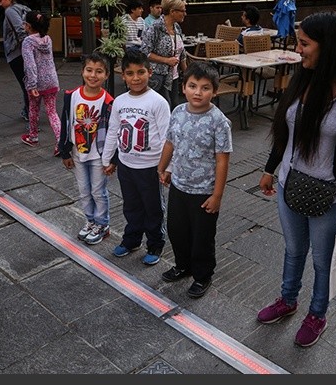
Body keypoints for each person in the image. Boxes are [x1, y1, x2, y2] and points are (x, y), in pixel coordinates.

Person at [256, 11, 336, 348]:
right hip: (288, 183)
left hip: (330, 194)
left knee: (323, 261)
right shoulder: (303, 77)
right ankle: (287, 300)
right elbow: (286, 132)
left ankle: (317, 314)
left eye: (305, 43)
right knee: (294, 250)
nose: (298, 49)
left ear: (329, 46)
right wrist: (269, 168)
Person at [157, 62, 232, 299]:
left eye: (205, 87)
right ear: (184, 87)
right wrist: (163, 167)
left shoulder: (219, 121)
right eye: (192, 86)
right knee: (177, 230)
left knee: (202, 237)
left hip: (204, 192)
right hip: (179, 185)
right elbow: (171, 143)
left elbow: (222, 160)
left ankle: (202, 274)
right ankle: (183, 265)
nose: (198, 92)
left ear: (215, 91)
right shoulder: (178, 112)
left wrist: (217, 195)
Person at [102, 49, 171, 266]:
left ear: (150, 72)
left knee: (153, 208)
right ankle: (131, 240)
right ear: (123, 75)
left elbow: (167, 138)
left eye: (140, 72)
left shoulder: (158, 102)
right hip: (126, 165)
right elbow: (113, 130)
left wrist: (165, 168)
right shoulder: (120, 102)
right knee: (131, 206)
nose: (136, 78)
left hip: (150, 167)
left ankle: (155, 243)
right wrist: (108, 159)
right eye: (130, 73)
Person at [59, 52, 116, 245]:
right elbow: (66, 123)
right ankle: (90, 220)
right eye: (89, 70)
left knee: (98, 191)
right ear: (83, 71)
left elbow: (112, 132)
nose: (93, 75)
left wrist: (111, 159)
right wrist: (64, 150)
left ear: (106, 75)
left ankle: (102, 224)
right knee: (84, 190)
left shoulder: (108, 102)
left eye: (99, 71)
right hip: (77, 153)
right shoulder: (72, 96)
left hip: (98, 155)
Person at [19, 10, 61, 154]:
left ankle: (33, 136)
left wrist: (32, 84)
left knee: (33, 109)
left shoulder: (28, 42)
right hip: (51, 80)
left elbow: (30, 65)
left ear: (29, 26)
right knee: (52, 112)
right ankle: (60, 142)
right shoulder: (47, 39)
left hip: (37, 82)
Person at [141, 0, 188, 109]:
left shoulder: (177, 27)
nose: (185, 14)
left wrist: (187, 74)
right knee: (164, 108)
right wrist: (166, 60)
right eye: (182, 11)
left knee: (175, 107)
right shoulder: (155, 28)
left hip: (174, 76)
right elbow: (144, 52)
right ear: (172, 12)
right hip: (158, 76)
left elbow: (181, 53)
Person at [0, 0, 31, 121]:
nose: (0, 3)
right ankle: (27, 110)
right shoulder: (23, 7)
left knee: (25, 84)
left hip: (17, 52)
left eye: (1, 0)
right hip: (24, 51)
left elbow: (20, 31)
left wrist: (25, 47)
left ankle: (29, 112)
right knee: (28, 83)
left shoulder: (10, 11)